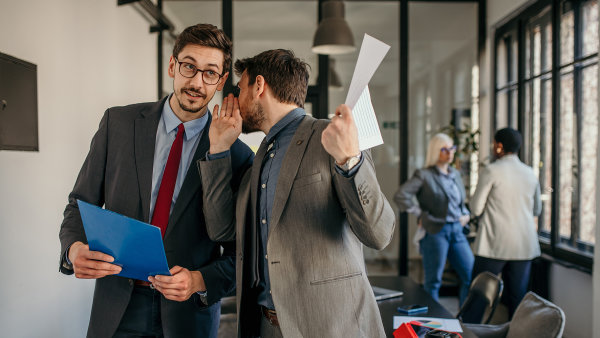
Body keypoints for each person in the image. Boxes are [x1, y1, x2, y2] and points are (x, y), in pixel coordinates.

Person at [58, 23, 254, 338]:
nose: (197, 82)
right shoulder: (118, 124)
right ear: (173, 66)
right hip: (117, 306)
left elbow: (242, 254)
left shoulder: (237, 155)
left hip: (189, 314)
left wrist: (199, 281)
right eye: (189, 67)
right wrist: (74, 250)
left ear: (220, 80)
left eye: (210, 73)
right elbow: (79, 204)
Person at [198, 49, 396, 337]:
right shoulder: (258, 161)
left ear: (259, 86)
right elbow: (221, 230)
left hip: (331, 327)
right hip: (265, 326)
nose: (236, 103)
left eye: (240, 90)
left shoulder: (331, 137)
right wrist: (217, 150)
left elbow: (379, 234)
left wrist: (350, 161)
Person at [464, 127, 541, 322]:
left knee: (478, 298)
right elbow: (537, 210)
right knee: (517, 299)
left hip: (494, 244)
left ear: (499, 146)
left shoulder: (492, 170)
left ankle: (469, 333)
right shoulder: (530, 173)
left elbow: (475, 208)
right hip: (523, 246)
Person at [394, 133, 474, 305]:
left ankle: (465, 322)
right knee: (433, 281)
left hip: (458, 230)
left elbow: (459, 201)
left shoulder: (456, 174)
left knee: (470, 275)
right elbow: (401, 196)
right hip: (436, 231)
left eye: (451, 148)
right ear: (435, 151)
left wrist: (466, 214)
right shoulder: (424, 175)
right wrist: (420, 214)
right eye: (444, 149)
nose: (450, 153)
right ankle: (431, 325)